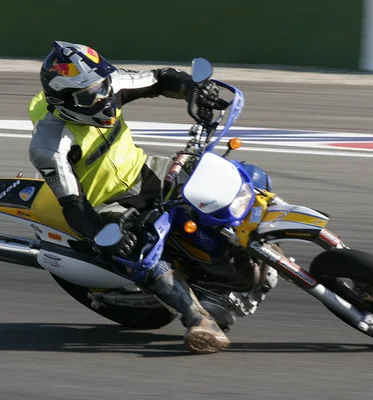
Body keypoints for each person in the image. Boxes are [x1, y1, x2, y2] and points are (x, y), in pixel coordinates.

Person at [28, 40, 231, 354]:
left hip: (145, 171)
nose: (104, 100)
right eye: (90, 96)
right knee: (141, 252)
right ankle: (198, 319)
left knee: (218, 178)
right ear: (64, 101)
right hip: (108, 202)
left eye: (104, 88)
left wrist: (191, 88)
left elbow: (161, 78)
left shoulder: (107, 84)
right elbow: (73, 204)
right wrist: (101, 235)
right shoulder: (50, 144)